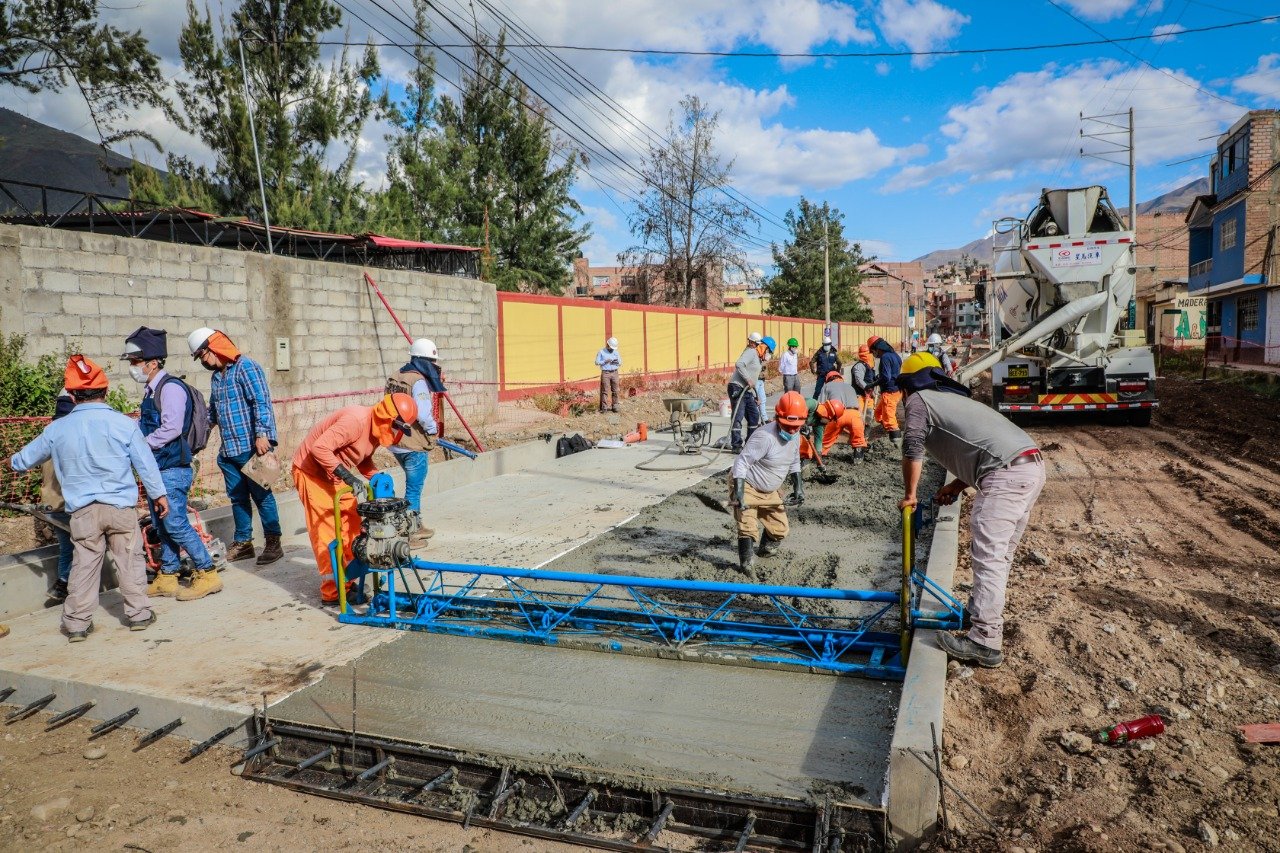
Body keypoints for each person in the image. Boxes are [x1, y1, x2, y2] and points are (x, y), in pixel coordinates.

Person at [897, 352, 1045, 669]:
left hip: (1005, 475)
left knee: (989, 557)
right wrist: (956, 485)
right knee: (1000, 555)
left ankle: (984, 642)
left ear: (907, 385)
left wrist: (910, 495)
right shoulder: (956, 402)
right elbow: (981, 445)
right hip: (1029, 466)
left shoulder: (918, 401)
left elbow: (912, 445)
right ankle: (980, 615)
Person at [3, 356, 166, 642]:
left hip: (83, 512)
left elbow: (25, 458)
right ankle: (139, 615)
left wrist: (10, 462)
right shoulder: (123, 424)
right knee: (130, 561)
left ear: (73, 394)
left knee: (84, 564)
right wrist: (159, 495)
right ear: (104, 391)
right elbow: (146, 464)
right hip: (119, 508)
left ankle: (77, 624)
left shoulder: (57, 429)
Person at [291, 393, 419, 604]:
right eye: (398, 426)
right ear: (388, 418)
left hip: (334, 474)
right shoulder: (355, 421)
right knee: (327, 533)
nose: (398, 433)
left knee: (352, 524)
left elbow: (362, 458)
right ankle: (332, 592)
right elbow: (319, 448)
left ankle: (348, 579)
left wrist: (377, 477)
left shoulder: (375, 432)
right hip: (311, 473)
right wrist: (348, 477)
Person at [122, 327, 220, 601]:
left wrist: (140, 446)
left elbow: (172, 428)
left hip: (172, 469)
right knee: (161, 523)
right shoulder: (151, 391)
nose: (133, 367)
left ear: (152, 363)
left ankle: (207, 571)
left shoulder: (171, 388)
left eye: (134, 362)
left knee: (175, 522)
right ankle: (168, 574)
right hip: (158, 469)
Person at [189, 327, 282, 566]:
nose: (203, 362)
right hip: (229, 450)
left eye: (203, 356)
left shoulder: (246, 368)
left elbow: (261, 401)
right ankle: (244, 543)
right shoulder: (217, 377)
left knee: (262, 495)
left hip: (251, 447)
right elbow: (214, 411)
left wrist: (262, 434)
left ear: (214, 348)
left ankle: (273, 542)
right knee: (237, 498)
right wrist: (199, 435)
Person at [729, 391, 806, 575]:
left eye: (796, 426)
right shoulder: (765, 437)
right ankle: (746, 565)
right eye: (788, 426)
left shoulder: (796, 435)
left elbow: (794, 462)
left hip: (770, 490)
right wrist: (739, 492)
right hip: (747, 483)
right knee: (747, 526)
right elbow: (741, 463)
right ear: (778, 418)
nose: (793, 431)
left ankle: (764, 551)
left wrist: (799, 488)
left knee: (780, 529)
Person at [386, 338, 442, 545]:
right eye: (433, 362)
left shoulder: (395, 376)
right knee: (413, 490)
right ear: (426, 361)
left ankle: (417, 525)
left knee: (413, 487)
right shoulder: (417, 381)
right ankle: (410, 534)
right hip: (414, 443)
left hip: (395, 441)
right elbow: (424, 415)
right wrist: (433, 430)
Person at [42, 392, 76, 602]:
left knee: (67, 548)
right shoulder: (71, 436)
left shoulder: (48, 433)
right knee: (88, 546)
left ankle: (62, 590)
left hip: (51, 503)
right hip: (68, 503)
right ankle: (64, 584)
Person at [818, 371, 868, 460]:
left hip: (837, 414)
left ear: (828, 380)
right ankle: (858, 457)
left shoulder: (826, 386)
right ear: (840, 378)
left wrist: (821, 421)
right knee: (859, 440)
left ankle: (820, 456)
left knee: (826, 441)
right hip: (855, 414)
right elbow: (858, 407)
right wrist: (862, 420)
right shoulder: (850, 387)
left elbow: (821, 405)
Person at [727, 333, 764, 453]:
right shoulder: (751, 351)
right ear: (757, 344)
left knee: (754, 416)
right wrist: (748, 379)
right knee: (738, 416)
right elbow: (739, 364)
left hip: (747, 391)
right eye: (768, 350)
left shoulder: (757, 358)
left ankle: (750, 443)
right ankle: (736, 445)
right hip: (738, 388)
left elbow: (754, 380)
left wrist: (756, 396)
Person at [869, 336, 903, 444]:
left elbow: (886, 377)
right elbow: (893, 373)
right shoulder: (895, 355)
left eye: (873, 351)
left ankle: (896, 442)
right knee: (878, 413)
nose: (873, 354)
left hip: (890, 391)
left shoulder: (885, 357)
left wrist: (873, 384)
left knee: (889, 417)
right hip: (897, 390)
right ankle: (884, 430)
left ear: (877, 348)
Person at [800, 398, 844, 462]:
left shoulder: (819, 422)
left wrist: (818, 456)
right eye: (832, 419)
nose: (831, 421)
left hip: (793, 429)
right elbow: (800, 410)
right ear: (830, 415)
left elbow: (818, 439)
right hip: (785, 420)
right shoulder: (812, 404)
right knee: (803, 445)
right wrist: (803, 423)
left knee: (805, 448)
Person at [852, 344, 877, 428]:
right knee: (858, 416)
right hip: (859, 395)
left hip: (868, 396)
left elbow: (870, 379)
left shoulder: (869, 366)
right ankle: (856, 433)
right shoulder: (859, 366)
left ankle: (865, 435)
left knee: (869, 416)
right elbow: (859, 381)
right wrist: (866, 388)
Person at [595, 337, 621, 413]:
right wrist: (604, 361)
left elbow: (620, 362)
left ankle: (615, 406)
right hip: (605, 373)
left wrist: (616, 362)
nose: (612, 349)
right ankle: (604, 407)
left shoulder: (616, 352)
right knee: (605, 391)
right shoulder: (601, 352)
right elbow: (596, 362)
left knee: (615, 390)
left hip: (615, 372)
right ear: (608, 344)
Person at [755, 336, 776, 420]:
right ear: (765, 347)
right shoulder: (755, 355)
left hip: (760, 380)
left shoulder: (761, 357)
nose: (769, 354)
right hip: (755, 380)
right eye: (769, 351)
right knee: (756, 401)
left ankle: (764, 419)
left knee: (762, 399)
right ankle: (755, 420)